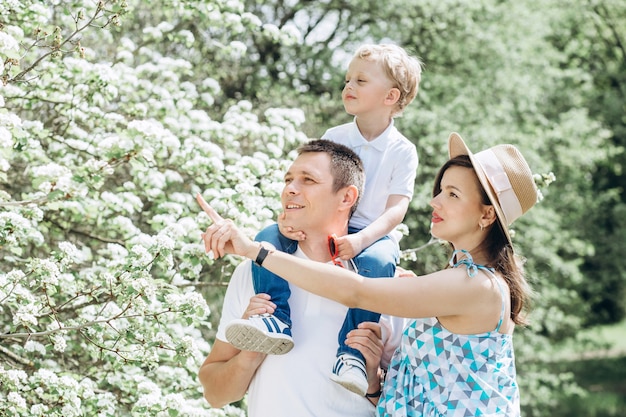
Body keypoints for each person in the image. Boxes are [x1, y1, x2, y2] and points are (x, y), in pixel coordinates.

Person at [199, 132, 540, 416]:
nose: (434, 202)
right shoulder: (435, 286)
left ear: (486, 216)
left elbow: (359, 292)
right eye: (440, 191)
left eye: (452, 194)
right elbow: (414, 393)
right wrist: (374, 384)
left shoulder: (475, 285)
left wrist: (256, 250)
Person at [228, 43, 423, 396]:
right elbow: (307, 185)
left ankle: (352, 354)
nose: (348, 86)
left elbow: (397, 209)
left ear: (390, 96)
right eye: (348, 78)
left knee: (378, 262)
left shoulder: (403, 151)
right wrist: (289, 219)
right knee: (268, 237)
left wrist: (362, 241)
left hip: (372, 233)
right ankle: (277, 317)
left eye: (361, 80)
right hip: (327, 221)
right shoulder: (335, 136)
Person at [197, 140, 406, 417]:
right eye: (288, 179)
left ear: (346, 197)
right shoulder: (255, 273)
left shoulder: (388, 287)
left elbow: (412, 405)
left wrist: (372, 381)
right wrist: (251, 352)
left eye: (308, 180)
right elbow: (214, 394)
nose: (290, 189)